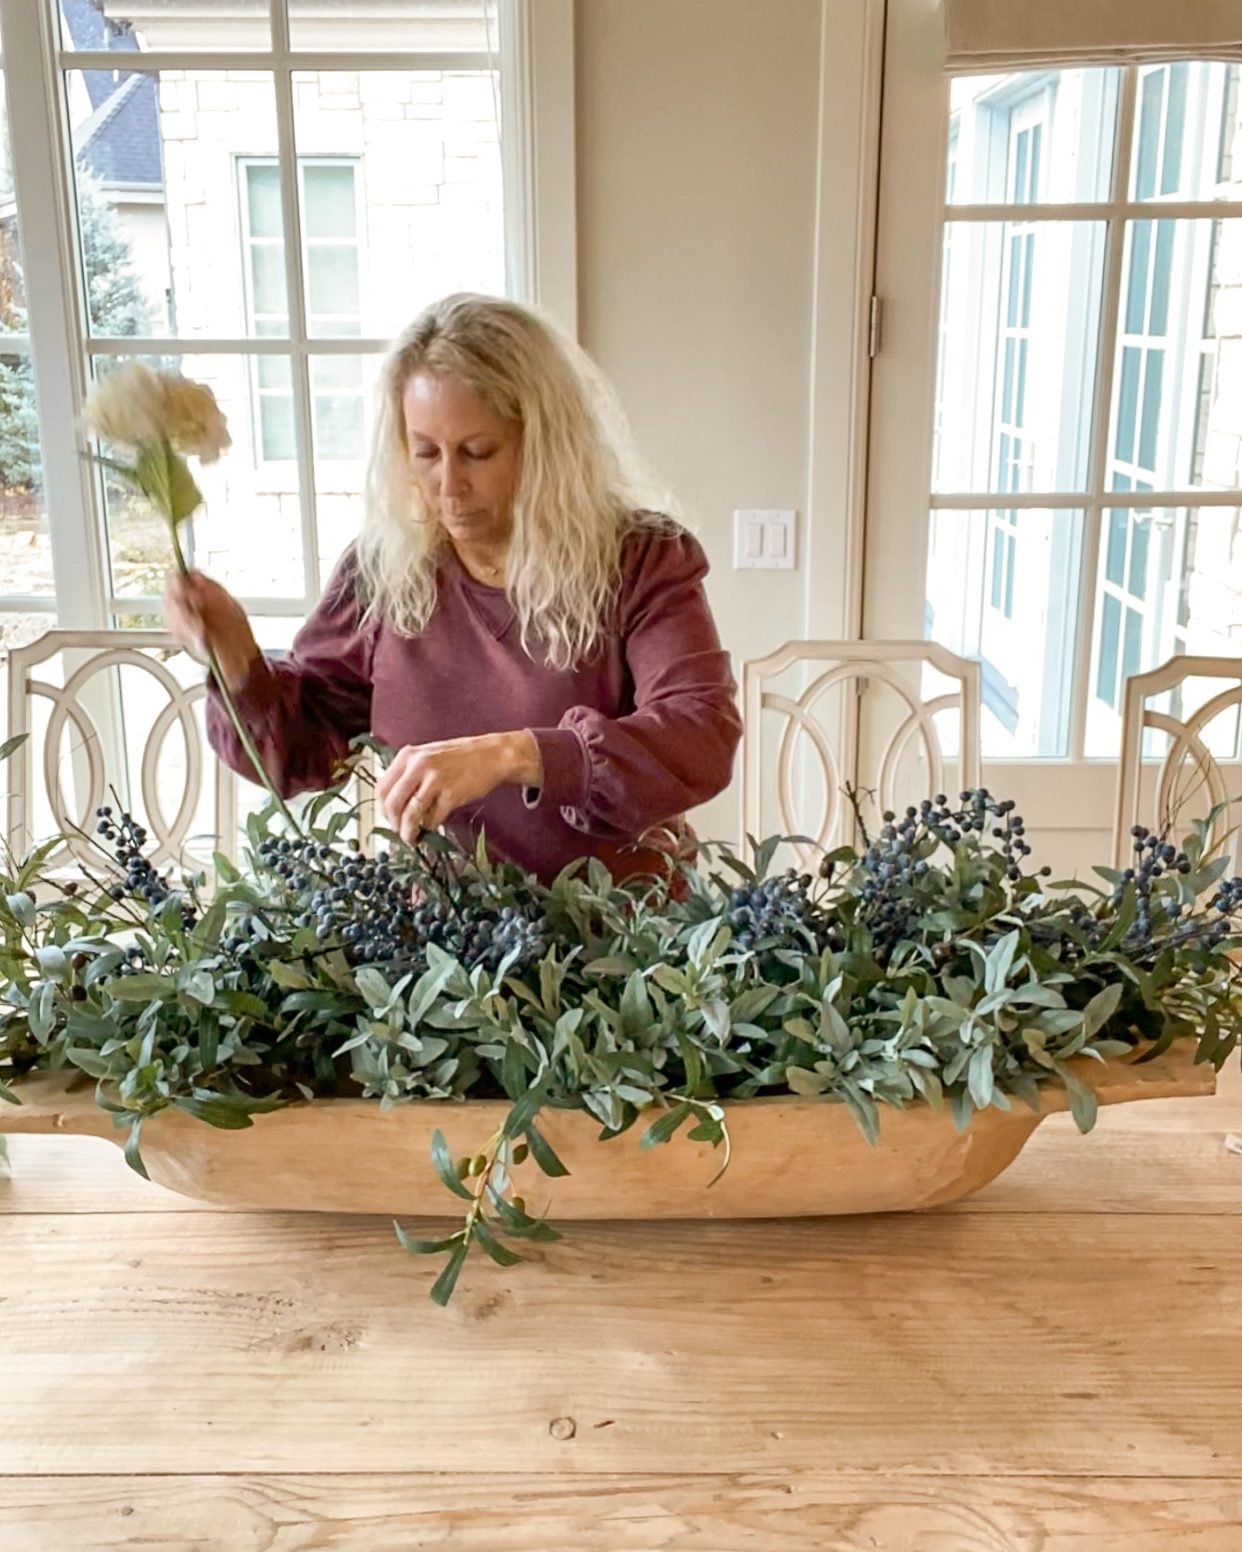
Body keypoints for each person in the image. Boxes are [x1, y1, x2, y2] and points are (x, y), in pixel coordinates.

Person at [163, 293, 742, 883]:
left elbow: (701, 733)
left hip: (621, 941)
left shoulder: (641, 558)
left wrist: (515, 755)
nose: (448, 483)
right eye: (425, 453)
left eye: (476, 452)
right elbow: (297, 754)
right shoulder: (383, 573)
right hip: (445, 946)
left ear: (544, 444)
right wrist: (235, 658)